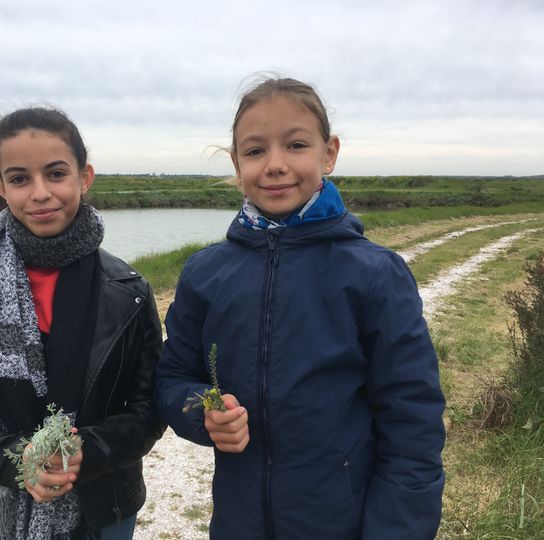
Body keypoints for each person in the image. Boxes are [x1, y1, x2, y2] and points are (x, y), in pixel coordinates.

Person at [154, 77, 446, 539]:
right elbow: (172, 379)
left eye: (295, 145)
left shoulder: (375, 274)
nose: (275, 165)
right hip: (238, 523)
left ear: (328, 153)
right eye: (254, 151)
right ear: (236, 164)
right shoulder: (204, 273)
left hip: (340, 523)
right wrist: (201, 413)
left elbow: (413, 422)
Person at [0, 107, 165, 540]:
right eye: (20, 178)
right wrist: (15, 459)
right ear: (1, 187)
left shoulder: (130, 292)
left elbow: (149, 409)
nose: (40, 193)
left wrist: (92, 450)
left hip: (105, 506)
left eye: (56, 173)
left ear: (84, 178)